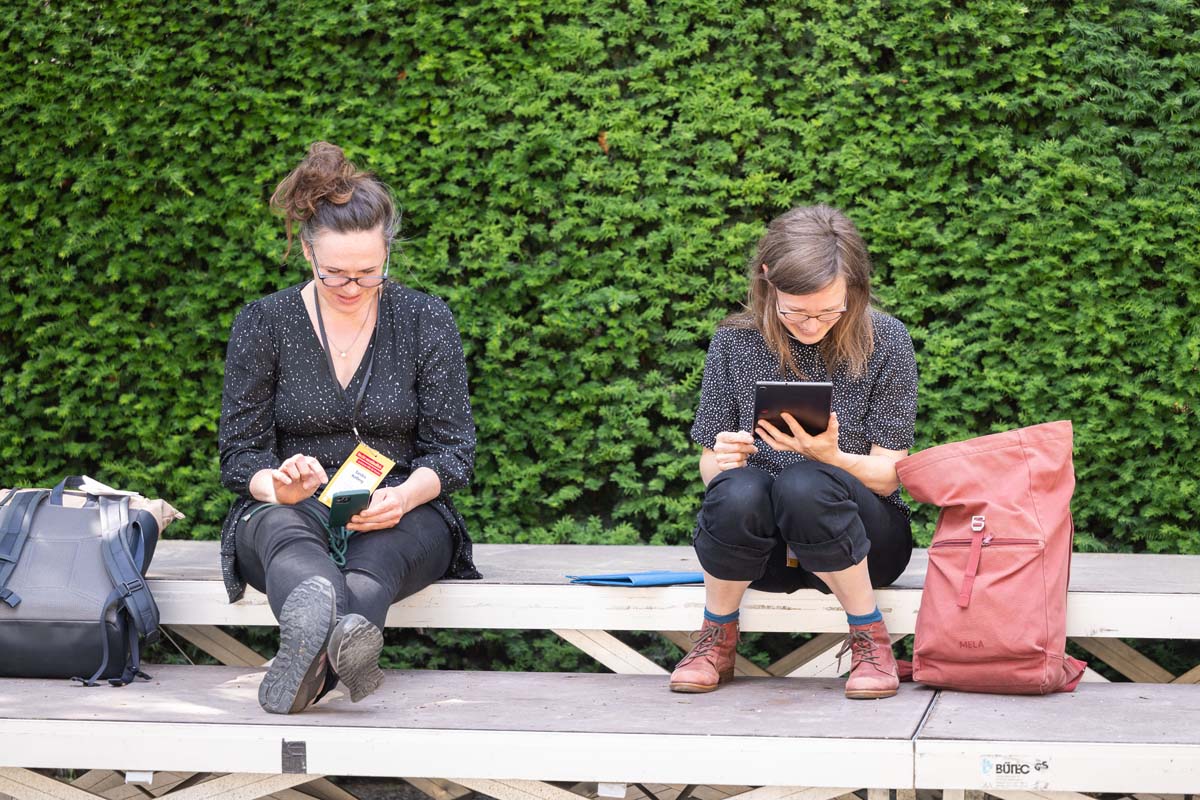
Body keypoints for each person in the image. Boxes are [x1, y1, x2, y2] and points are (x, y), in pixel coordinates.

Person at [218, 142, 480, 714]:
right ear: (307, 253)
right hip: (292, 506)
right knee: (289, 540)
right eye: (336, 274)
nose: (353, 288)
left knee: (375, 563)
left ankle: (313, 668)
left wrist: (406, 496)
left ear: (389, 253)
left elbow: (455, 451)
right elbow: (238, 455)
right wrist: (275, 485)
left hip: (401, 506)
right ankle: (339, 656)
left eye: (369, 273)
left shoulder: (424, 317)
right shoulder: (264, 322)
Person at [671, 205, 918, 699]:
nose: (811, 325)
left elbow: (890, 477)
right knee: (738, 489)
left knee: (805, 481)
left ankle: (870, 638)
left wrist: (833, 456)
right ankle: (716, 637)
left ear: (855, 289)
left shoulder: (887, 339)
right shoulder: (734, 341)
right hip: (760, 550)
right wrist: (723, 460)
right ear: (768, 282)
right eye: (796, 312)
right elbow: (707, 466)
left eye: (829, 311)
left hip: (866, 544)